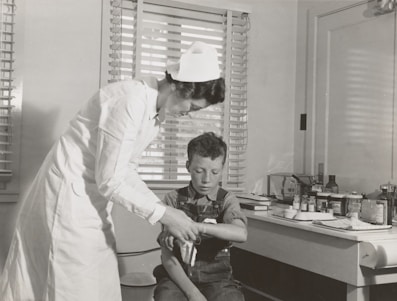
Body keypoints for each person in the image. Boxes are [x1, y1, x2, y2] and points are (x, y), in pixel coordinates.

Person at [0, 42, 225, 301]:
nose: (189, 114)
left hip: (92, 202)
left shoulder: (153, 115)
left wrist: (167, 213)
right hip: (66, 203)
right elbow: (110, 180)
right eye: (193, 107)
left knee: (99, 285)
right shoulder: (128, 100)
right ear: (179, 86)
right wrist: (165, 215)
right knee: (70, 287)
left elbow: (126, 170)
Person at [153, 132, 247, 301]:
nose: (206, 179)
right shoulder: (172, 199)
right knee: (166, 297)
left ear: (223, 170)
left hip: (217, 279)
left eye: (215, 171)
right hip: (178, 277)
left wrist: (197, 227)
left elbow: (241, 234)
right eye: (199, 171)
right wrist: (193, 293)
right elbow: (167, 257)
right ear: (188, 166)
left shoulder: (227, 200)